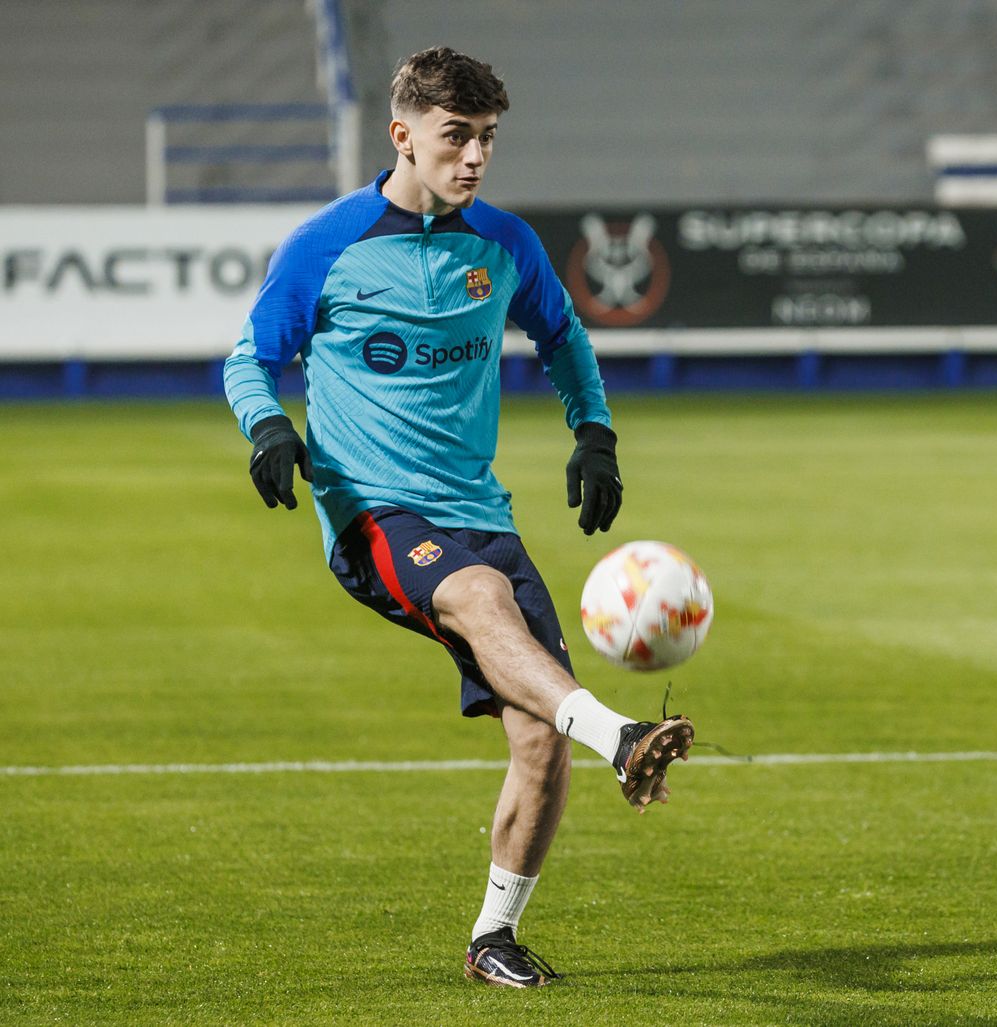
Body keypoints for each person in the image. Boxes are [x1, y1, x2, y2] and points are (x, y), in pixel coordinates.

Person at [222, 48, 694, 990]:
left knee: (537, 736)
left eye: (486, 139)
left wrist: (592, 433)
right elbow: (250, 355)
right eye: (456, 137)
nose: (474, 157)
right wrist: (269, 425)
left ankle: (494, 938)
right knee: (477, 595)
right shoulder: (328, 245)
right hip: (374, 513)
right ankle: (624, 735)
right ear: (403, 135)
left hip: (479, 508)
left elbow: (563, 337)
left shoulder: (505, 245)